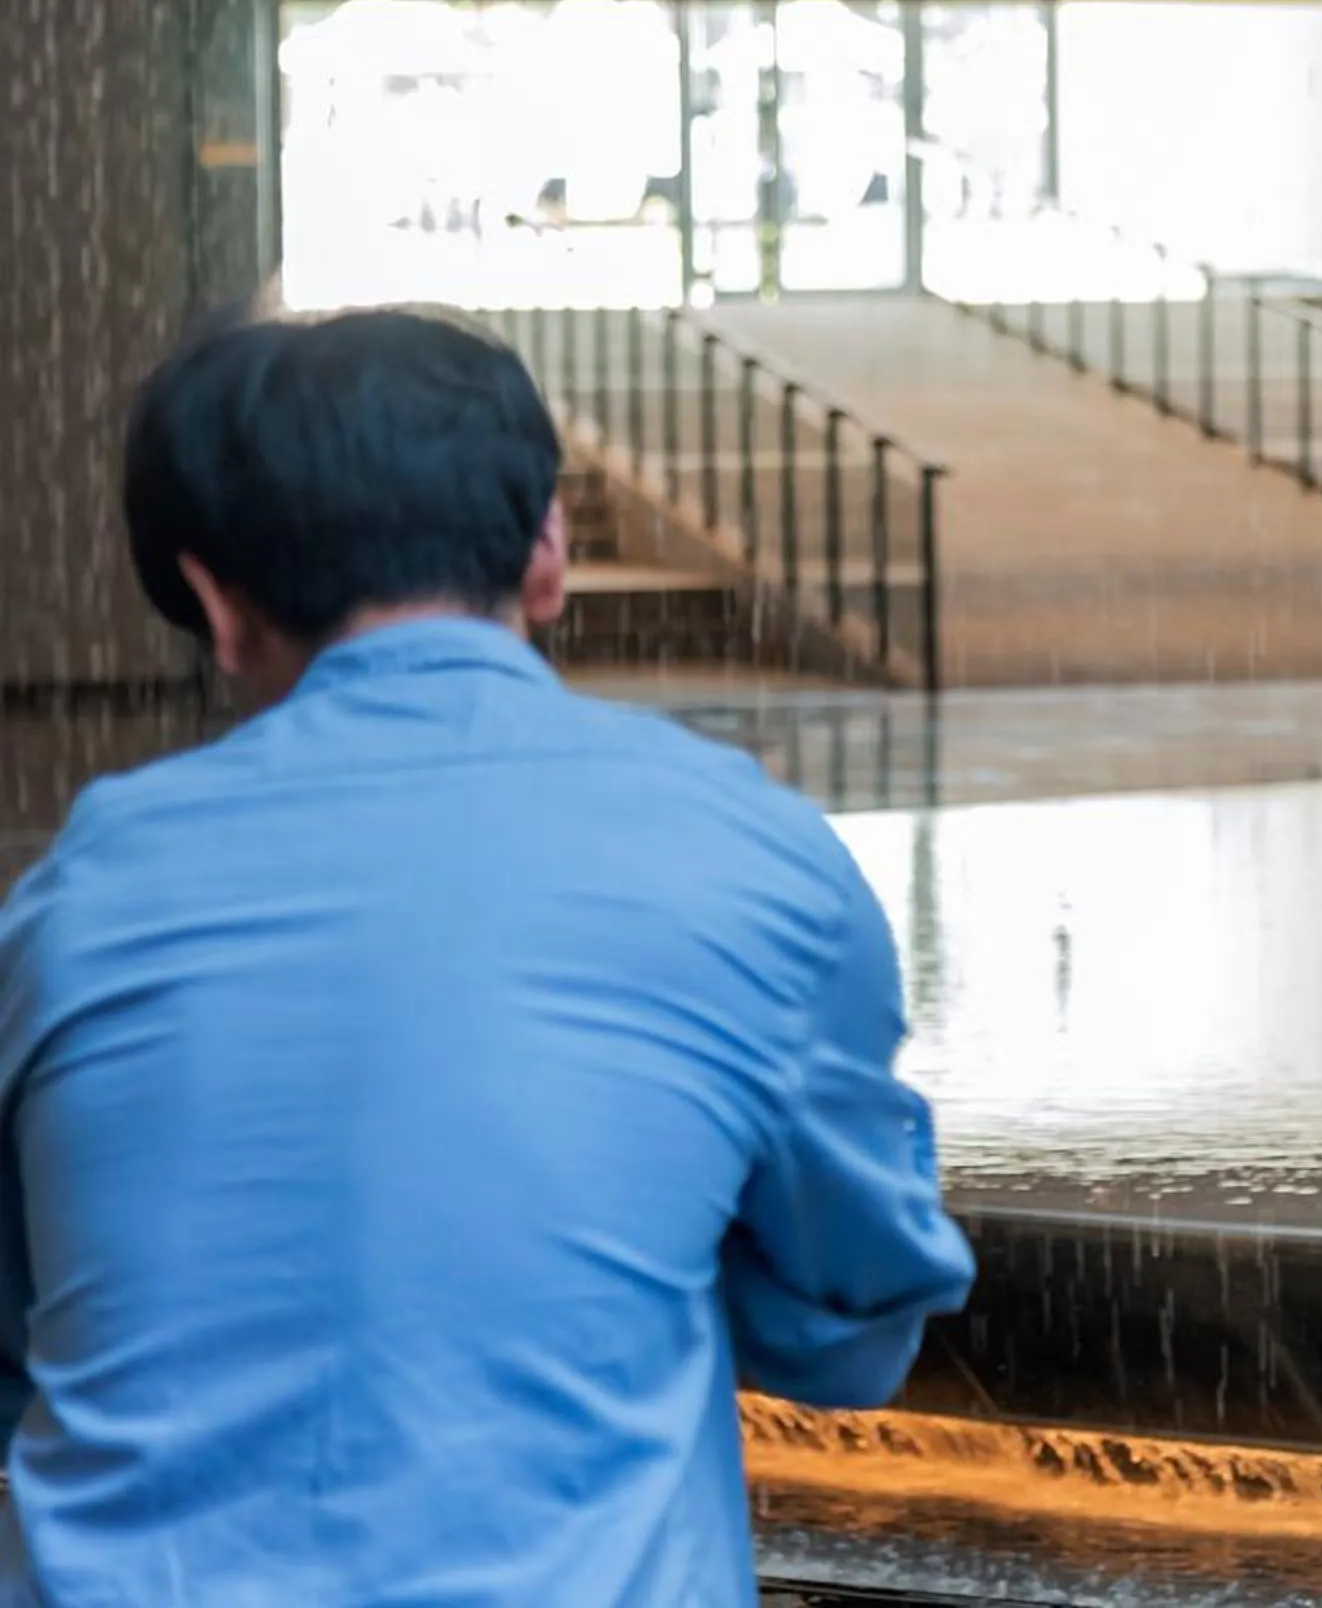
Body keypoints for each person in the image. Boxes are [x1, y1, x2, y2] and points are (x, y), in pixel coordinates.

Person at [0, 310, 976, 1606]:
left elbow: (34, 1339)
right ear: (548, 554)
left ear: (217, 606)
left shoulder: (70, 905)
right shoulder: (752, 857)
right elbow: (848, 1342)